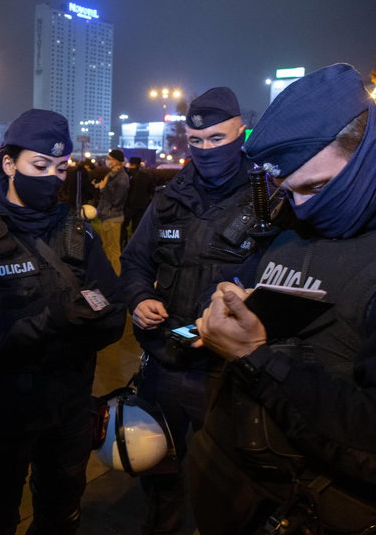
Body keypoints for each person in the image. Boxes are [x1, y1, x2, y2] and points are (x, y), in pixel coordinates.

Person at [190, 64, 376, 534]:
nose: (301, 205)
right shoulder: (289, 224)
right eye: (289, 189)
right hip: (233, 485)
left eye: (317, 187)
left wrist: (256, 358)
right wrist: (224, 300)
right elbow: (233, 282)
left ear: (366, 152)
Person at [0, 108, 126, 535]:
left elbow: (114, 312)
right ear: (9, 164)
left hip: (70, 410)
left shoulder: (78, 232)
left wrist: (92, 322)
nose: (53, 178)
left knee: (61, 514)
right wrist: (52, 319)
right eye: (40, 166)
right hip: (3, 417)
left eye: (61, 168)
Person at [119, 87, 257, 535]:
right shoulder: (169, 198)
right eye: (196, 142)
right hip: (168, 361)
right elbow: (136, 261)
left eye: (217, 139)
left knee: (227, 483)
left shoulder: (268, 201)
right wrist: (140, 299)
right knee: (160, 473)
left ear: (240, 131)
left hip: (229, 373)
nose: (206, 150)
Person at [94, 148, 129, 273]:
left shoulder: (122, 178)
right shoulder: (111, 175)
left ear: (117, 161)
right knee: (106, 248)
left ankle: (118, 276)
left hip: (113, 218)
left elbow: (116, 200)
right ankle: (109, 274)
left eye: (110, 159)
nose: (107, 161)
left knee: (113, 250)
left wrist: (104, 188)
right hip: (105, 216)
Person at [120, 156, 153, 250]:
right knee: (137, 227)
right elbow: (151, 191)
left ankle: (124, 243)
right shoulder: (147, 176)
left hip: (129, 205)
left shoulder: (127, 175)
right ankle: (136, 246)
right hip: (142, 206)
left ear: (131, 164)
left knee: (123, 226)